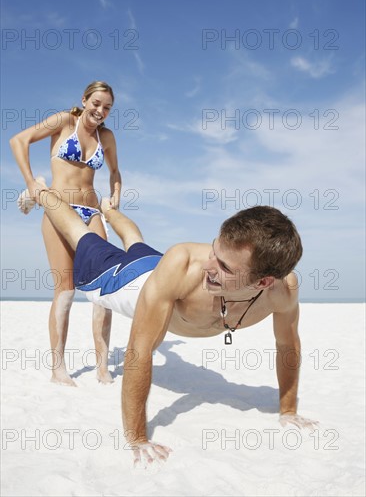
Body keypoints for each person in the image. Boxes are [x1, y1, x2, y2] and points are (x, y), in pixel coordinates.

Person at [33, 188, 318, 466]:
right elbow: (139, 351)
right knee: (83, 237)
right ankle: (40, 192)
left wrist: (288, 409)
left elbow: (287, 344)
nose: (209, 266)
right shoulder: (185, 263)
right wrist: (137, 438)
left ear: (264, 282)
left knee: (135, 241)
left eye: (225, 268)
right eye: (213, 251)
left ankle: (108, 210)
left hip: (156, 268)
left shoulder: (283, 292)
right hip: (123, 281)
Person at [9, 81, 122, 386]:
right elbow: (19, 140)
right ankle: (58, 369)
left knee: (103, 292)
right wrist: (32, 181)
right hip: (60, 210)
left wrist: (114, 195)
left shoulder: (106, 137)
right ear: (84, 100)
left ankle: (102, 367)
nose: (101, 111)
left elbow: (114, 172)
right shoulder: (63, 121)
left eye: (107, 107)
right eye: (96, 103)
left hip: (92, 212)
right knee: (66, 290)